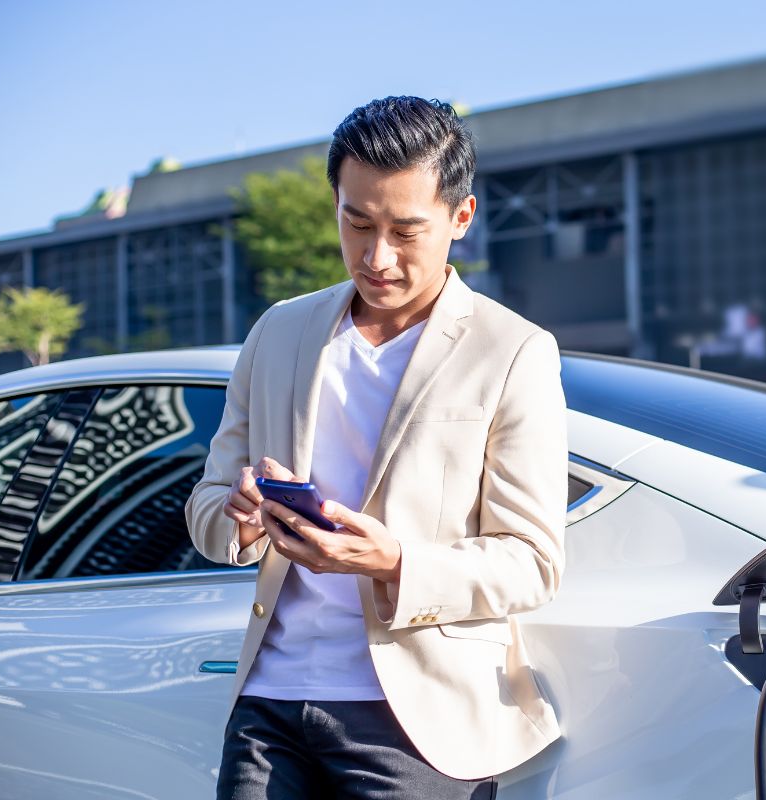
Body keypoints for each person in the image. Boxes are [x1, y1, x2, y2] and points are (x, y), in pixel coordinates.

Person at [185, 96, 567, 799]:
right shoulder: (279, 331)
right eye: (356, 223)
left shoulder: (513, 351)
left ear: (461, 218)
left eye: (404, 231)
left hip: (415, 716)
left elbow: (534, 562)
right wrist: (239, 516)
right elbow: (207, 510)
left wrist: (393, 561)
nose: (376, 256)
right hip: (269, 702)